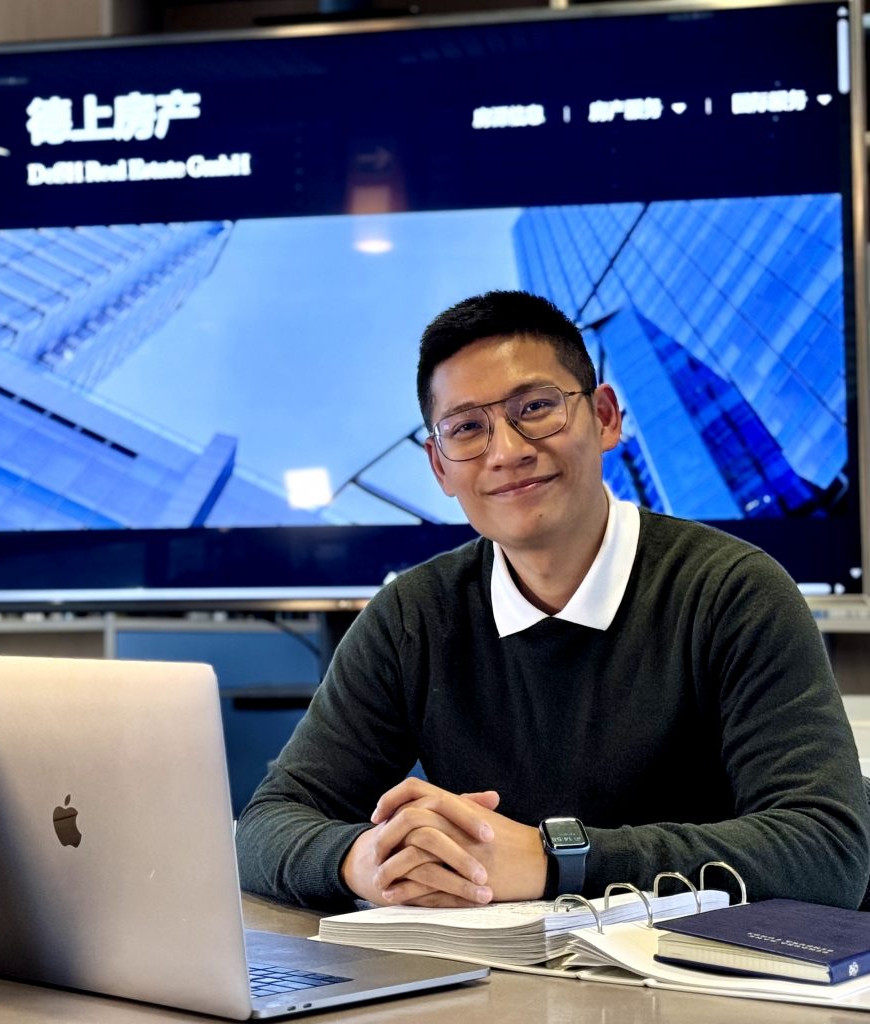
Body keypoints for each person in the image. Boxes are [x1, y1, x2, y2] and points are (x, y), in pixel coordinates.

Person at [235, 289, 870, 911]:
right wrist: (370, 859)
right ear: (440, 467)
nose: (507, 452)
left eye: (536, 408)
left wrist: (553, 860)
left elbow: (827, 851)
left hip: (708, 973)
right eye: (467, 428)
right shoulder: (411, 618)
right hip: (492, 974)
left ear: (605, 417)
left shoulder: (733, 591)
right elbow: (266, 824)